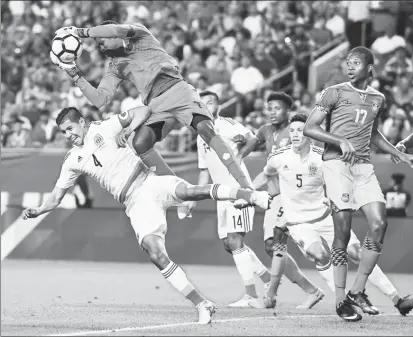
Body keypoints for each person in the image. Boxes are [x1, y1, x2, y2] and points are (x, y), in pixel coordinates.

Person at [21, 107, 272, 324]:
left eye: (70, 128)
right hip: (134, 203)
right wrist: (40, 209)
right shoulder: (72, 160)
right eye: (63, 132)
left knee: (192, 191)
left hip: (149, 181)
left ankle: (252, 196)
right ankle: (202, 304)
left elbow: (143, 111)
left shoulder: (105, 127)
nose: (68, 135)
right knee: (155, 253)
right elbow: (56, 196)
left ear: (81, 122)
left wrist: (129, 130)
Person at [49, 22, 254, 205]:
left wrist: (81, 32)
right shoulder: (115, 66)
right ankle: (180, 196)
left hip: (179, 90)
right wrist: (75, 75)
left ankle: (246, 186)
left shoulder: (140, 35)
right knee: (140, 143)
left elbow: (116, 29)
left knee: (206, 131)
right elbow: (100, 99)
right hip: (155, 105)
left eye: (101, 41)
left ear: (114, 36)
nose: (100, 47)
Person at [250, 114, 413, 316]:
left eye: (300, 130)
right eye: (292, 131)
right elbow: (266, 174)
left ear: (310, 133)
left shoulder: (322, 158)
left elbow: (335, 182)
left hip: (325, 218)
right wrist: (248, 193)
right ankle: (344, 303)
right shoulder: (278, 157)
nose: (295, 135)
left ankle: (397, 299)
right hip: (298, 223)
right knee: (320, 254)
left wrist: (331, 197)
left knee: (357, 253)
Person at [303, 46, 413, 321]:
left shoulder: (377, 98)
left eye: (356, 63)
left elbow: (373, 132)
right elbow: (310, 127)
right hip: (336, 165)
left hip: (363, 167)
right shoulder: (333, 92)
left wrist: (399, 152)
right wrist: (340, 140)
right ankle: (340, 299)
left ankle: (357, 291)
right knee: (342, 236)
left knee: (379, 224)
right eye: (348, 62)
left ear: (369, 67)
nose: (350, 66)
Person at [240, 92, 325, 310]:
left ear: (288, 110)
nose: (272, 112)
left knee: (275, 244)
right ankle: (309, 291)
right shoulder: (266, 131)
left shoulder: (298, 131)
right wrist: (248, 190)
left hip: (292, 200)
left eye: (277, 108)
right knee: (272, 247)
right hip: (273, 199)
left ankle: (271, 296)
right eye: (269, 108)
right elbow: (255, 160)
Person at [194, 90, 271, 307]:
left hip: (239, 189)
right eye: (201, 103)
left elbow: (252, 139)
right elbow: (203, 169)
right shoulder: (200, 133)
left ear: (218, 106)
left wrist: (236, 156)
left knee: (235, 240)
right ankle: (268, 279)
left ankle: (251, 295)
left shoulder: (227, 124)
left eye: (209, 102)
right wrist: (192, 200)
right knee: (229, 244)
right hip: (221, 194)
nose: (205, 106)